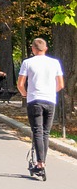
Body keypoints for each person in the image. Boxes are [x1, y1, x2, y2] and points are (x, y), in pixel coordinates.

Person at [17, 39, 64, 177]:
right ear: (46, 48)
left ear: (33, 49)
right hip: (50, 100)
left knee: (37, 131)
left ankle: (40, 163)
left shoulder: (28, 62)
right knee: (45, 132)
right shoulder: (55, 63)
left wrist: (26, 94)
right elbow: (61, 84)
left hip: (35, 100)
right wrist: (50, 92)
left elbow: (20, 84)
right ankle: (42, 161)